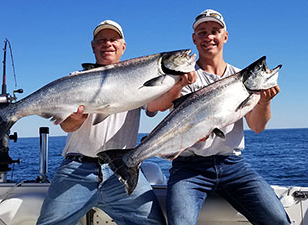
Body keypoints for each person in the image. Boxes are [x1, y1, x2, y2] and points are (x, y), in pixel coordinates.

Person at [36, 19, 195, 225]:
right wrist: (75, 120)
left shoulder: (139, 76)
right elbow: (67, 126)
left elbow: (157, 105)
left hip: (121, 170)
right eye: (101, 40)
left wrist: (178, 84)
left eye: (113, 39)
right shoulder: (75, 78)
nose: (107, 43)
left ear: (123, 46)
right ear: (93, 46)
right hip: (77, 170)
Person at [150, 9, 291, 225]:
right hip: (189, 168)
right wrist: (194, 135)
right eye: (202, 32)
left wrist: (264, 101)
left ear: (225, 36)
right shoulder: (185, 79)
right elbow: (179, 126)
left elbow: (257, 126)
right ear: (194, 39)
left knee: (278, 220)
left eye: (215, 31)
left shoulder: (240, 78)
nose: (209, 37)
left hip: (233, 165)